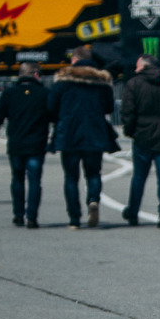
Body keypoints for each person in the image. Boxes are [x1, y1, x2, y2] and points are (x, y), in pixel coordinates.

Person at [48, 45, 115, 228]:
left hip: (69, 133)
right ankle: (93, 200)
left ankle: (74, 218)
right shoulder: (102, 80)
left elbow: (51, 106)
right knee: (93, 173)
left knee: (71, 177)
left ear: (74, 60)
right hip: (95, 133)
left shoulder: (63, 80)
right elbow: (109, 107)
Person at [120, 54, 160, 229]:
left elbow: (128, 111)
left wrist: (130, 131)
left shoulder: (134, 84)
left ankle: (133, 212)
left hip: (142, 134)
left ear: (143, 66)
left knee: (139, 176)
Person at [0, 61, 50, 228]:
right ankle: (32, 216)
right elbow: (55, 117)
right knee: (35, 180)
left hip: (16, 143)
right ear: (36, 74)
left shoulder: (9, 94)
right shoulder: (44, 93)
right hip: (37, 143)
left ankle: (19, 214)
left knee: (17, 178)